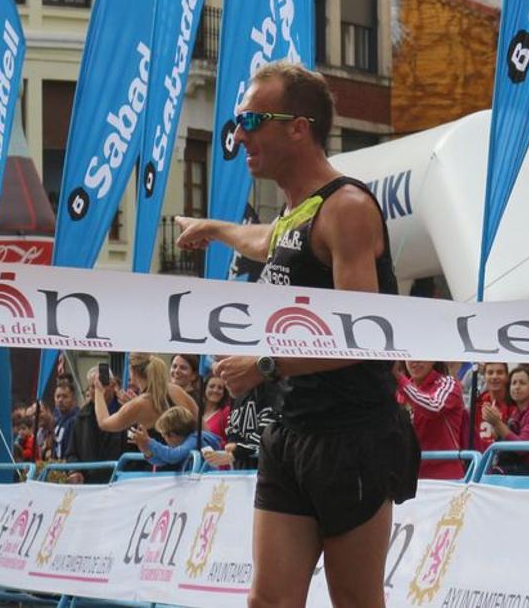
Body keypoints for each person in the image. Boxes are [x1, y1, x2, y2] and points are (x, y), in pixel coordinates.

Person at [173, 62, 420, 608]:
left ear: (298, 127)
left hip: (351, 436)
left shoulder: (347, 209)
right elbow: (267, 241)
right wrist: (214, 229)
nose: (239, 136)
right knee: (268, 602)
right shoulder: (295, 214)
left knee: (355, 603)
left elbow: (360, 339)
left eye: (252, 120)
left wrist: (265, 366)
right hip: (289, 432)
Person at [93, 354, 197, 437]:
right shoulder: (176, 390)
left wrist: (98, 390)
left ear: (132, 371)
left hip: (163, 462)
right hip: (191, 460)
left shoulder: (140, 403)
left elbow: (104, 423)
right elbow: (202, 425)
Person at [396, 361, 467, 480]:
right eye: (411, 357)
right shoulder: (402, 390)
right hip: (411, 477)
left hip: (445, 477)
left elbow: (433, 406)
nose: (416, 362)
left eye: (422, 356)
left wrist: (398, 378)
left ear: (433, 359)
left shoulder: (448, 383)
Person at [65, 367, 129, 485]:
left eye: (102, 384)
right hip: (90, 485)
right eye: (93, 386)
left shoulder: (126, 412)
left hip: (119, 483)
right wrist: (75, 471)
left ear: (112, 385)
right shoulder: (80, 418)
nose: (98, 390)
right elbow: (71, 453)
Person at [133, 406, 220, 472]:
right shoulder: (184, 444)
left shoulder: (195, 439)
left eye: (164, 435)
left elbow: (172, 456)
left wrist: (149, 442)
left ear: (173, 434)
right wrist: (147, 452)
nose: (164, 439)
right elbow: (162, 461)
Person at [472, 362, 512, 449]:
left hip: (505, 457)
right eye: (490, 373)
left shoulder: (514, 404)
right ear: (485, 377)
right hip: (481, 458)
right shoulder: (477, 404)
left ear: (507, 377)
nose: (494, 377)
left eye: (500, 372)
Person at [48, 379, 79, 461]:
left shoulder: (77, 420)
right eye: (58, 397)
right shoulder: (58, 421)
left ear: (73, 399)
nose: (60, 400)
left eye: (65, 396)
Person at [200, 374, 230, 442]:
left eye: (220, 388)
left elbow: (229, 442)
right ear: (204, 388)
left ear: (224, 392)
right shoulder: (197, 411)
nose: (215, 390)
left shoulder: (226, 412)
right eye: (211, 386)